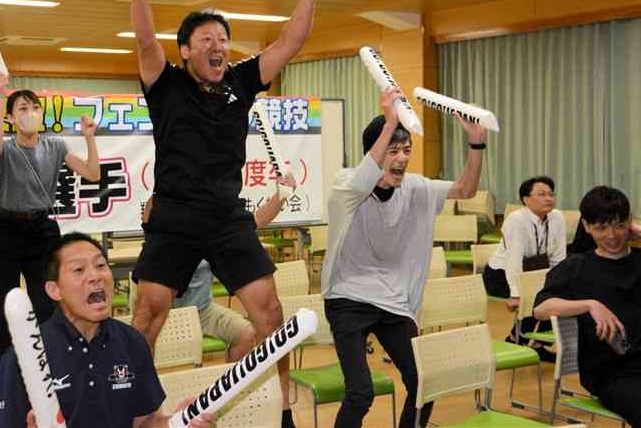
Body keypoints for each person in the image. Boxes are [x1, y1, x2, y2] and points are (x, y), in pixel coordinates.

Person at [126, 0, 328, 428]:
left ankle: (280, 406)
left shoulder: (241, 80)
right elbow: (146, 42)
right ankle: (137, 410)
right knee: (147, 315)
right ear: (187, 50)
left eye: (223, 38)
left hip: (225, 215)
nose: (218, 46)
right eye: (207, 40)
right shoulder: (165, 82)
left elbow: (289, 44)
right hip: (174, 213)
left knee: (271, 313)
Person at [321, 88, 487, 428]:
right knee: (361, 392)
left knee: (424, 381)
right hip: (347, 297)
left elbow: (466, 191)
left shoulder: (415, 187)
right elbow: (361, 181)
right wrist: (389, 124)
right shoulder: (346, 185)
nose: (401, 158)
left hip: (392, 299)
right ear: (376, 152)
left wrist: (477, 145)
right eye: (393, 150)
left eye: (406, 150)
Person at [0, 232, 215, 428]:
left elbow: (145, 422)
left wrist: (181, 420)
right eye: (78, 269)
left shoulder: (132, 341)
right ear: (54, 290)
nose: (95, 276)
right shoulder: (23, 357)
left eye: (100, 265)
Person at [0, 76, 101, 369]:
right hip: (5, 230)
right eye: (22, 109)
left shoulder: (55, 146)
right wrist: (0, 96)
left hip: (42, 230)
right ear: (10, 118)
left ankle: (52, 369)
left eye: (35, 107)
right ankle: (7, 376)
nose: (31, 113)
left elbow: (92, 174)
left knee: (48, 305)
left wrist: (89, 137)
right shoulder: (6, 149)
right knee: (3, 309)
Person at [534, 186, 641, 427]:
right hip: (613, 372)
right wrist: (589, 304)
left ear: (630, 223)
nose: (612, 236)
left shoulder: (638, 258)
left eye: (620, 226)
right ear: (586, 227)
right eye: (601, 228)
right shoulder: (577, 266)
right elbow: (540, 308)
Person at [171, 179, 296, 362]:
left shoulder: (220, 223)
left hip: (203, 310)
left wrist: (282, 195)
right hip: (169, 314)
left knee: (246, 333)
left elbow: (255, 221)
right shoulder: (169, 217)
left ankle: (234, 389)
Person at [482, 176, 565, 359]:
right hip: (501, 274)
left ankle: (536, 343)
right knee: (539, 297)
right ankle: (518, 338)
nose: (548, 198)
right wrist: (516, 294)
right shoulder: (517, 219)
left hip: (533, 274)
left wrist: (561, 281)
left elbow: (559, 257)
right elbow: (514, 260)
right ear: (526, 200)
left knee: (560, 295)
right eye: (541, 194)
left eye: (551, 194)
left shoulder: (557, 217)